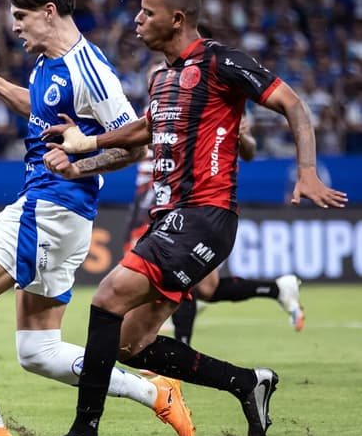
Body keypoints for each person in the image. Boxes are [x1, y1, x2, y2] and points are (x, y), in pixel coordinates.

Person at [35, 0, 348, 436]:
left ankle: (84, 434)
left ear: (176, 19)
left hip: (205, 214)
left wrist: (306, 172)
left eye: (147, 12)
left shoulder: (221, 62)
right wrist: (85, 150)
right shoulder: (160, 77)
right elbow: (144, 130)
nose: (137, 19)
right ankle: (248, 383)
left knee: (107, 298)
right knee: (130, 342)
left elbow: (293, 104)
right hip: (169, 218)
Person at [0, 0, 195, 436]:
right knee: (39, 351)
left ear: (49, 12)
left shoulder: (89, 70)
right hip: (58, 211)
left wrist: (81, 166)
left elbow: (136, 144)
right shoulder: (48, 62)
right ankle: (154, 389)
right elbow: (39, 106)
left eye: (21, 17)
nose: (14, 27)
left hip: (51, 206)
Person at [126, 114, 306, 344]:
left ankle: (174, 361)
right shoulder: (161, 104)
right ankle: (278, 289)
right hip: (156, 201)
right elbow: (142, 142)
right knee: (207, 287)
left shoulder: (218, 104)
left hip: (196, 202)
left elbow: (248, 152)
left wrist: (242, 136)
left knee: (181, 276)